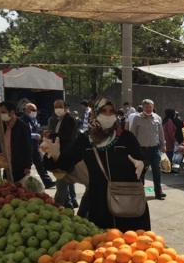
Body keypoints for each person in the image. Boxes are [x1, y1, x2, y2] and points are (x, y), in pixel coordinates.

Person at [44, 97, 150, 231]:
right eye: (103, 111)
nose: (107, 115)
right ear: (95, 114)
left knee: (133, 246)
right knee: (104, 247)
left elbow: (144, 160)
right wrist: (55, 156)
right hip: (99, 203)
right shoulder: (86, 139)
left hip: (128, 201)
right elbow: (65, 164)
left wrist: (142, 164)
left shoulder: (126, 137)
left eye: (111, 111)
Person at [131, 99, 166, 200]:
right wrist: (133, 148)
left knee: (157, 171)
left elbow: (161, 133)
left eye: (150, 107)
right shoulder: (137, 118)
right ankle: (140, 192)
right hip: (142, 150)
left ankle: (158, 192)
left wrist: (163, 145)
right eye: (147, 107)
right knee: (141, 172)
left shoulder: (157, 118)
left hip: (155, 150)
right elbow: (133, 134)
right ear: (143, 107)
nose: (149, 109)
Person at [46, 100, 78, 208]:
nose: (58, 109)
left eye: (60, 106)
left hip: (66, 154)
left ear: (65, 107)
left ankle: (58, 204)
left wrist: (52, 135)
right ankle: (68, 202)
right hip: (62, 154)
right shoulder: (59, 120)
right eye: (56, 107)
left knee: (61, 182)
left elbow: (67, 136)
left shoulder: (69, 119)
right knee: (66, 180)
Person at [19, 103, 55, 189]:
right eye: (32, 110)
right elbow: (23, 134)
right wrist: (34, 135)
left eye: (35, 110)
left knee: (41, 164)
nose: (34, 112)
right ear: (26, 110)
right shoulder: (21, 121)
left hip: (35, 146)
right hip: (26, 146)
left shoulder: (34, 119)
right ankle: (22, 183)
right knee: (25, 166)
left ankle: (48, 182)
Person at [0, 101, 33, 183]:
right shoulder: (2, 126)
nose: (1, 115)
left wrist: (28, 165)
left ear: (12, 112)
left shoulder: (23, 127)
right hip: (6, 167)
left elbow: (28, 147)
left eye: (3, 112)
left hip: (19, 168)